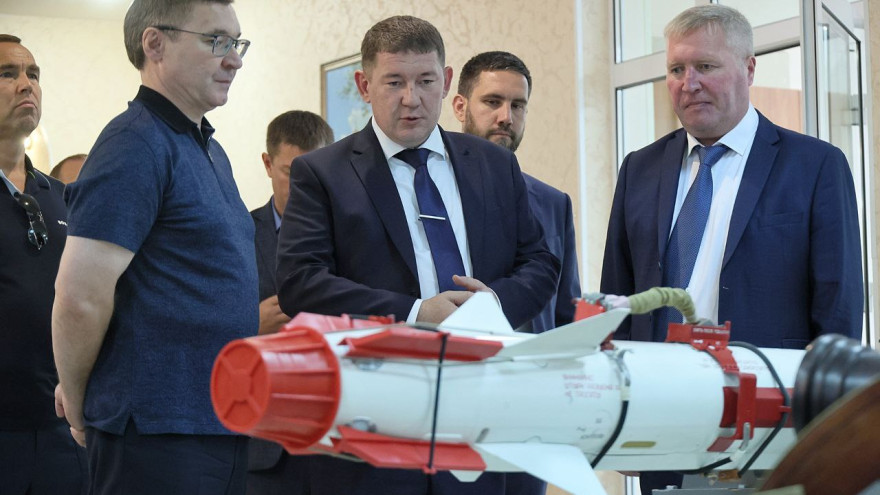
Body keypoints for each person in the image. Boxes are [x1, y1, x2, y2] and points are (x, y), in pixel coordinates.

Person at [276, 15, 559, 495]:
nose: (411, 98)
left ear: (446, 82)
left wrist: (492, 304)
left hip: (481, 420)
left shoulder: (494, 164)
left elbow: (540, 262)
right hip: (373, 429)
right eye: (394, 82)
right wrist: (415, 313)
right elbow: (300, 282)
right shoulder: (322, 173)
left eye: (426, 81)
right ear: (364, 86)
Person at [599, 4, 863, 493]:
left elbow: (839, 307)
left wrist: (824, 427)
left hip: (769, 422)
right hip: (660, 414)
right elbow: (618, 299)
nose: (689, 83)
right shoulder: (639, 168)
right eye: (676, 69)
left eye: (706, 66)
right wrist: (621, 414)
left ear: (749, 68)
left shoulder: (815, 166)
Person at [52, 1, 256, 494]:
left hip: (216, 421)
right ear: (155, 44)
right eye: (216, 41)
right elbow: (80, 297)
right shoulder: (134, 143)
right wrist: (78, 404)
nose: (234, 59)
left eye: (237, 43)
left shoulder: (207, 147)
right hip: (155, 433)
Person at [0, 33, 87, 495]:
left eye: (33, 74)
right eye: (7, 74)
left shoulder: (61, 196)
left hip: (60, 428)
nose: (26, 84)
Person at [453, 50, 581, 332]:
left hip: (537, 357)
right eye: (492, 102)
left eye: (518, 105)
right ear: (460, 107)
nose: (506, 117)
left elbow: (567, 312)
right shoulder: (433, 194)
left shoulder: (554, 203)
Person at [247, 110, 333, 495]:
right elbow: (198, 326)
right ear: (268, 165)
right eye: (291, 172)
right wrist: (248, 325)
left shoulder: (355, 237)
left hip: (338, 441)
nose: (304, 186)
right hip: (265, 447)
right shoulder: (237, 236)